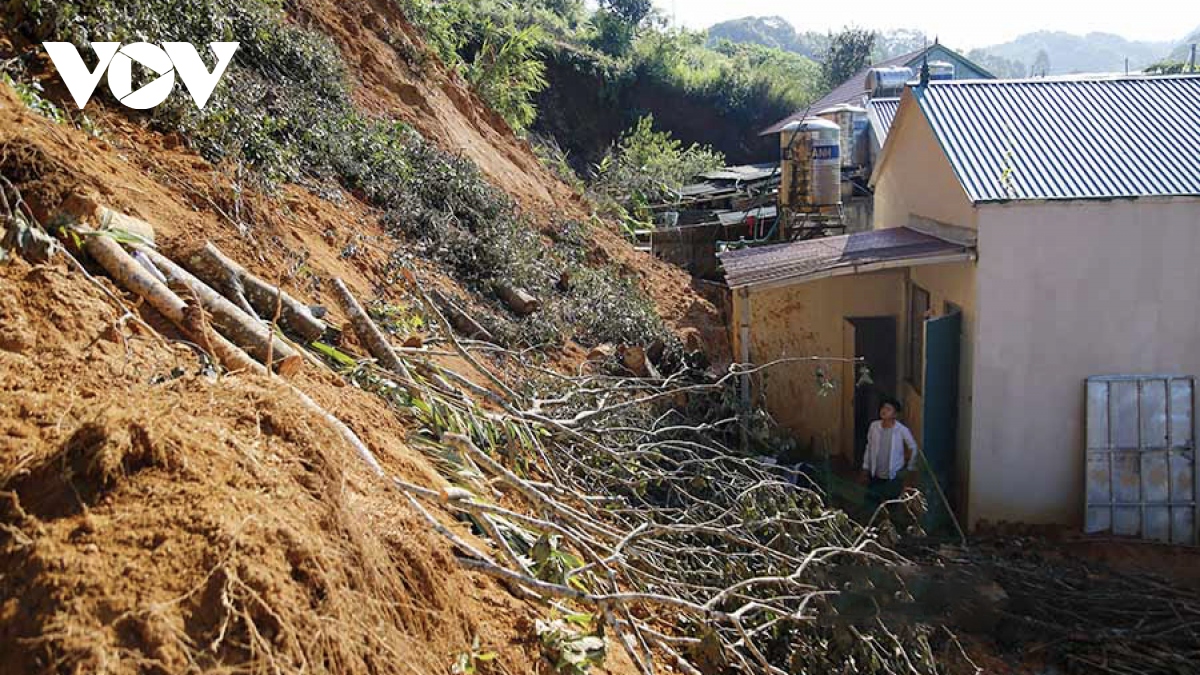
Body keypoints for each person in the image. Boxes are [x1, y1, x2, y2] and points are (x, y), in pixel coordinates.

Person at [860, 397, 919, 514]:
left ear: (895, 414)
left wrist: (910, 468)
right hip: (875, 474)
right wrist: (865, 468)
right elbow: (869, 447)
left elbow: (913, 447)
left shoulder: (901, 430)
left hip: (893, 476)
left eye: (888, 409)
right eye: (883, 407)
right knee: (871, 505)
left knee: (891, 506)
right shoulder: (874, 426)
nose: (884, 411)